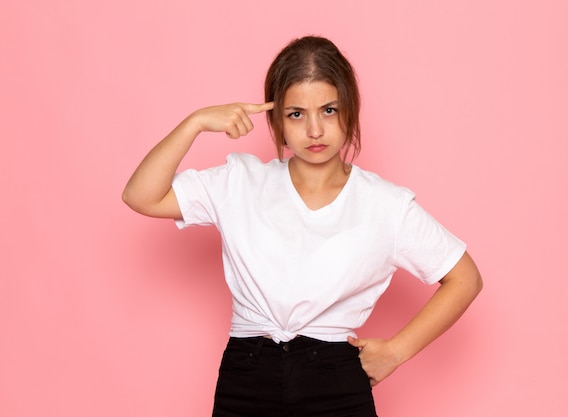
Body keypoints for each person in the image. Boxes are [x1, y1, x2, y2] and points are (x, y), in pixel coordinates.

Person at [122, 36, 482, 417]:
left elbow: (465, 278)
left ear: (350, 110)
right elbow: (140, 196)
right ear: (276, 120)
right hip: (247, 371)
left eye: (328, 110)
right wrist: (194, 123)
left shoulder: (386, 204)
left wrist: (396, 351)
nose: (314, 130)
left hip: (336, 377)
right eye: (296, 114)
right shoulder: (239, 181)